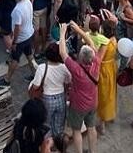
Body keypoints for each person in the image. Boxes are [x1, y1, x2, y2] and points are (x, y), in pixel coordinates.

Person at [58, 22, 103, 153]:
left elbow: (62, 52)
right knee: (91, 127)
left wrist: (62, 33)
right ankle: (93, 151)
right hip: (93, 102)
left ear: (80, 57)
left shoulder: (76, 69)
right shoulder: (96, 62)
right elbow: (91, 43)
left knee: (76, 131)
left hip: (78, 105)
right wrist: (80, 30)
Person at [28, 42, 71, 146]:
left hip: (47, 99)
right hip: (61, 98)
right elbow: (68, 81)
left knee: (46, 125)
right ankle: (59, 144)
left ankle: (47, 146)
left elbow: (36, 86)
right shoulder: (64, 67)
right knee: (59, 124)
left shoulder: (42, 68)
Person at [0, 0, 35, 89]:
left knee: (14, 59)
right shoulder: (28, 1)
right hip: (29, 34)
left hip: (21, 39)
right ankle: (36, 74)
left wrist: (14, 41)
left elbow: (17, 27)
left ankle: (7, 79)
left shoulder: (17, 10)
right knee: (29, 56)